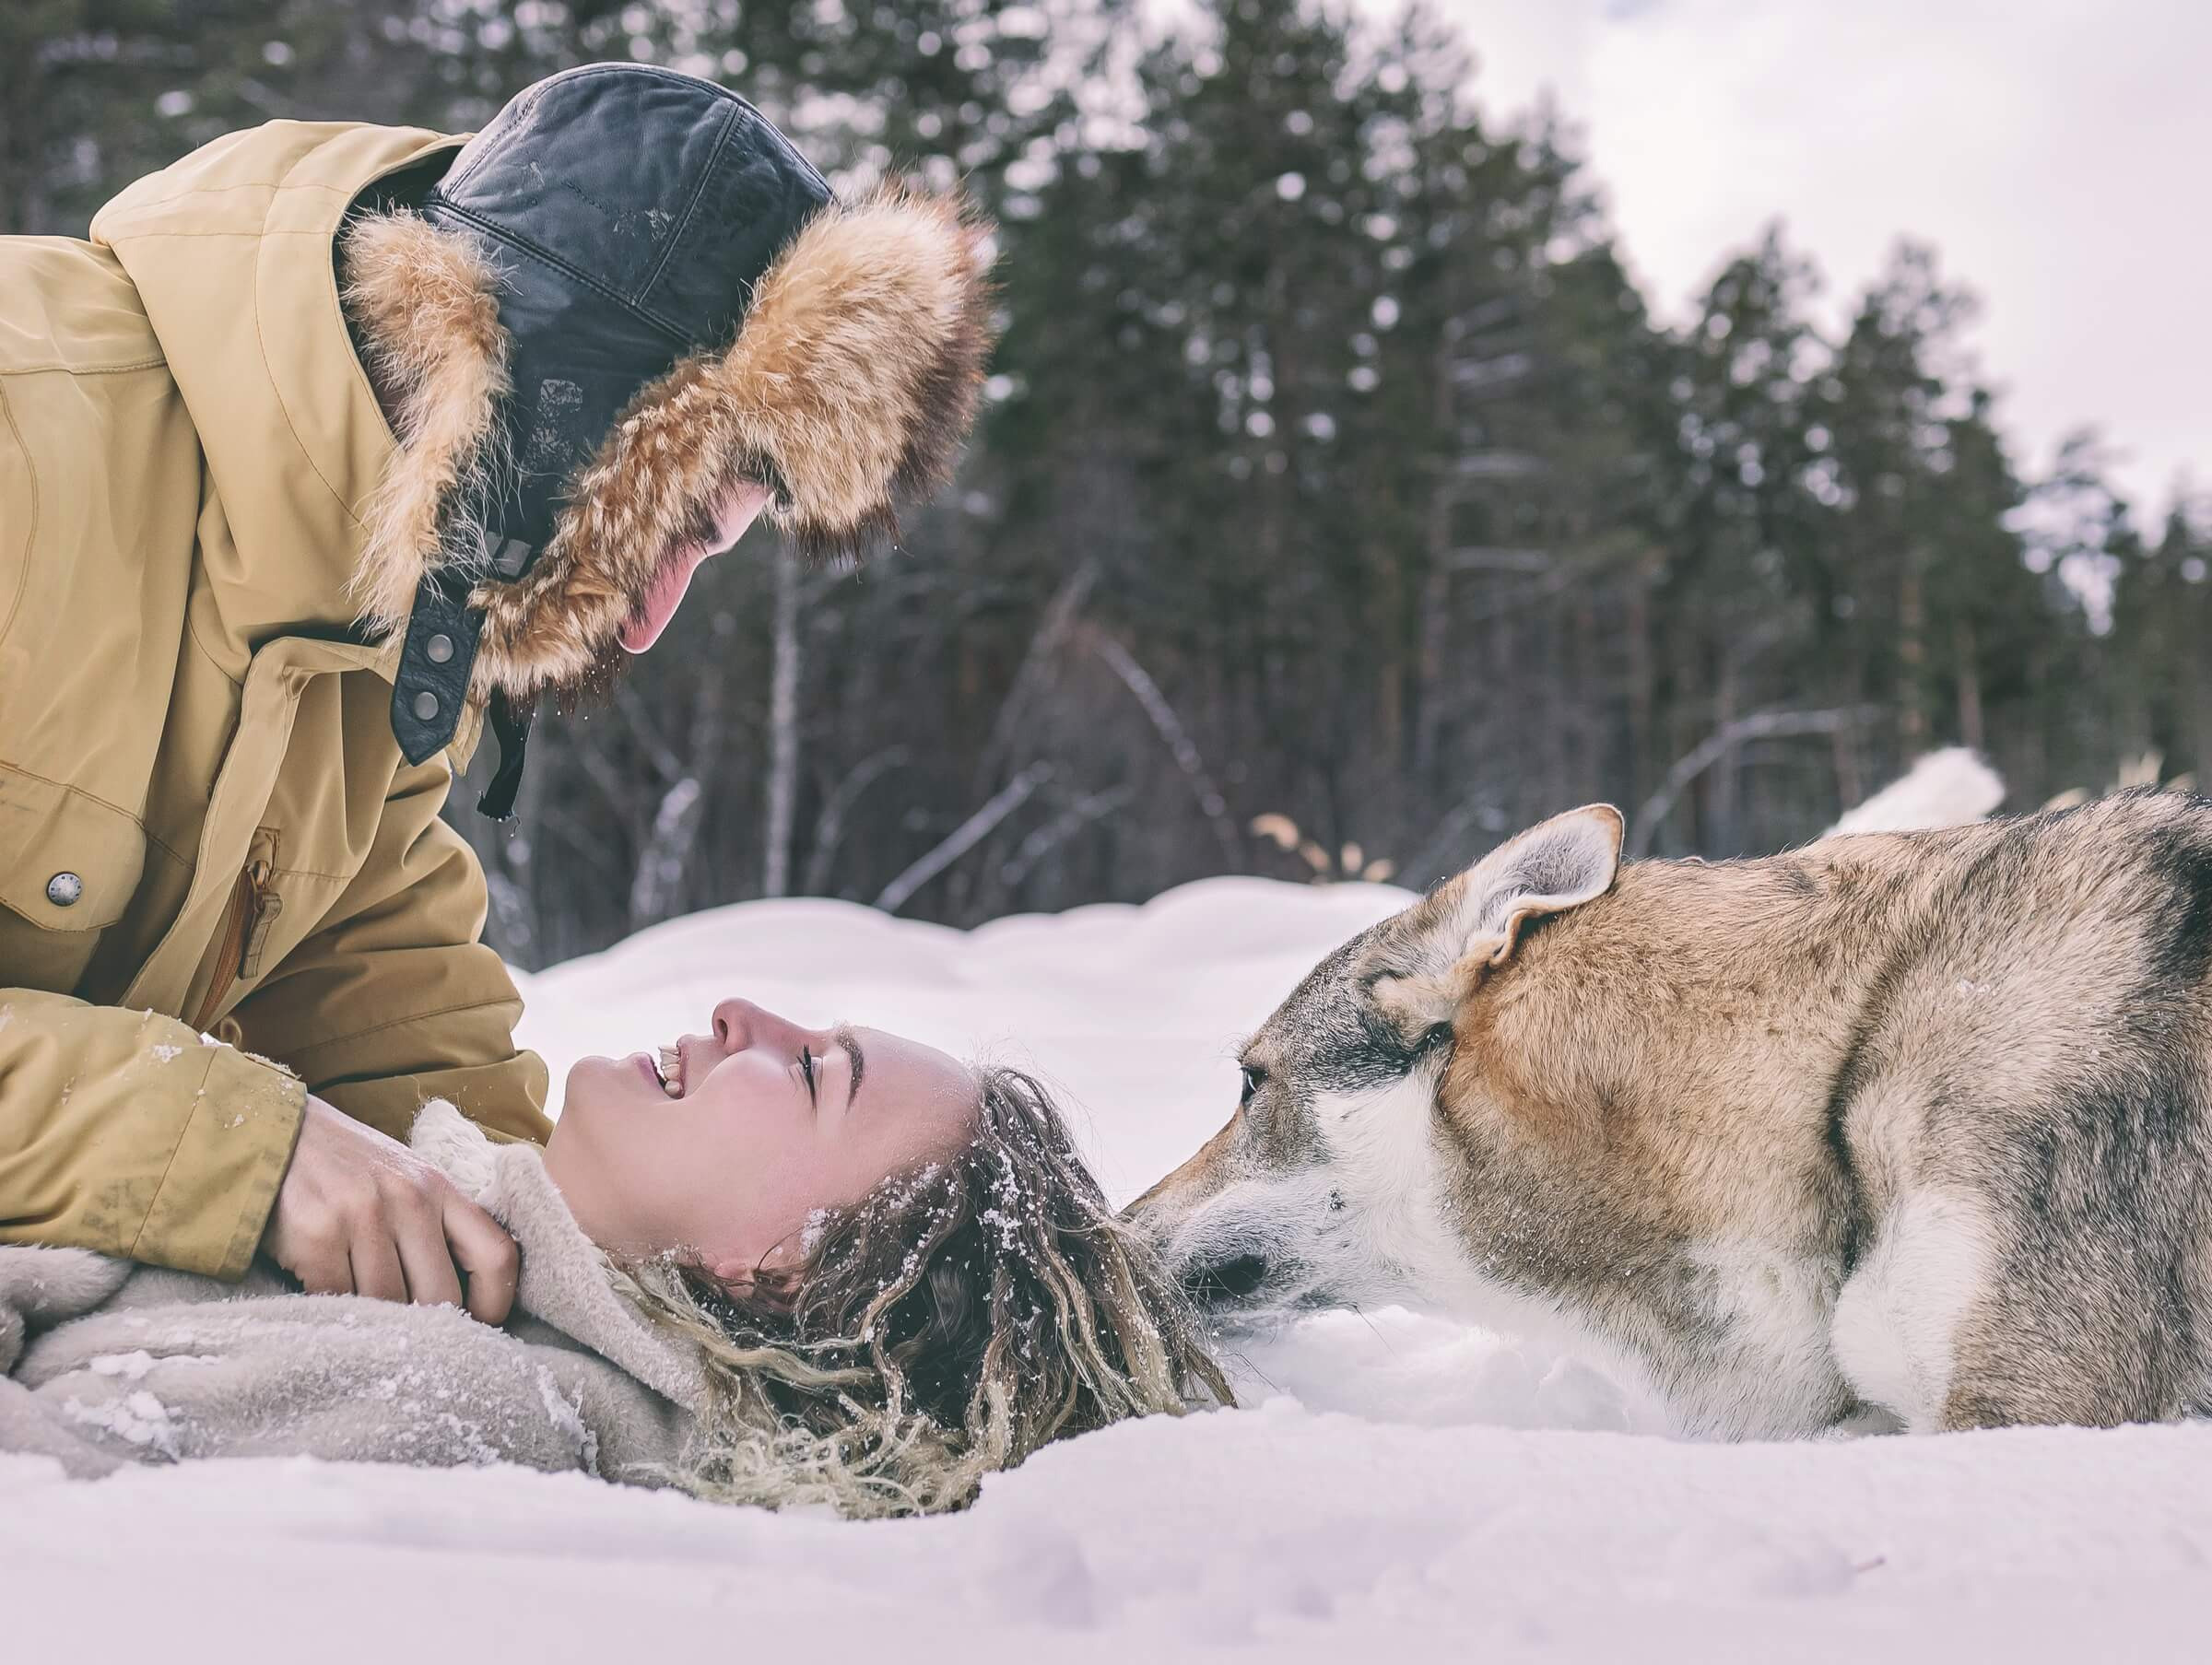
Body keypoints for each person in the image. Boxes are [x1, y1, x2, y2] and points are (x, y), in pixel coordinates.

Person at [0, 64, 994, 1315]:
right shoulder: (23, 428)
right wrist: (215, 1146)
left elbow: (367, 969)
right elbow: (239, 1139)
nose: (647, 620)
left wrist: (565, 1262)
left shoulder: (399, 585)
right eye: (668, 531)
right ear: (553, 418)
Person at [0, 1001, 1231, 1516]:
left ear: (783, 1267)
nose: (747, 1015)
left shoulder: (470, 1407)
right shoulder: (451, 1249)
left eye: (811, 1072)